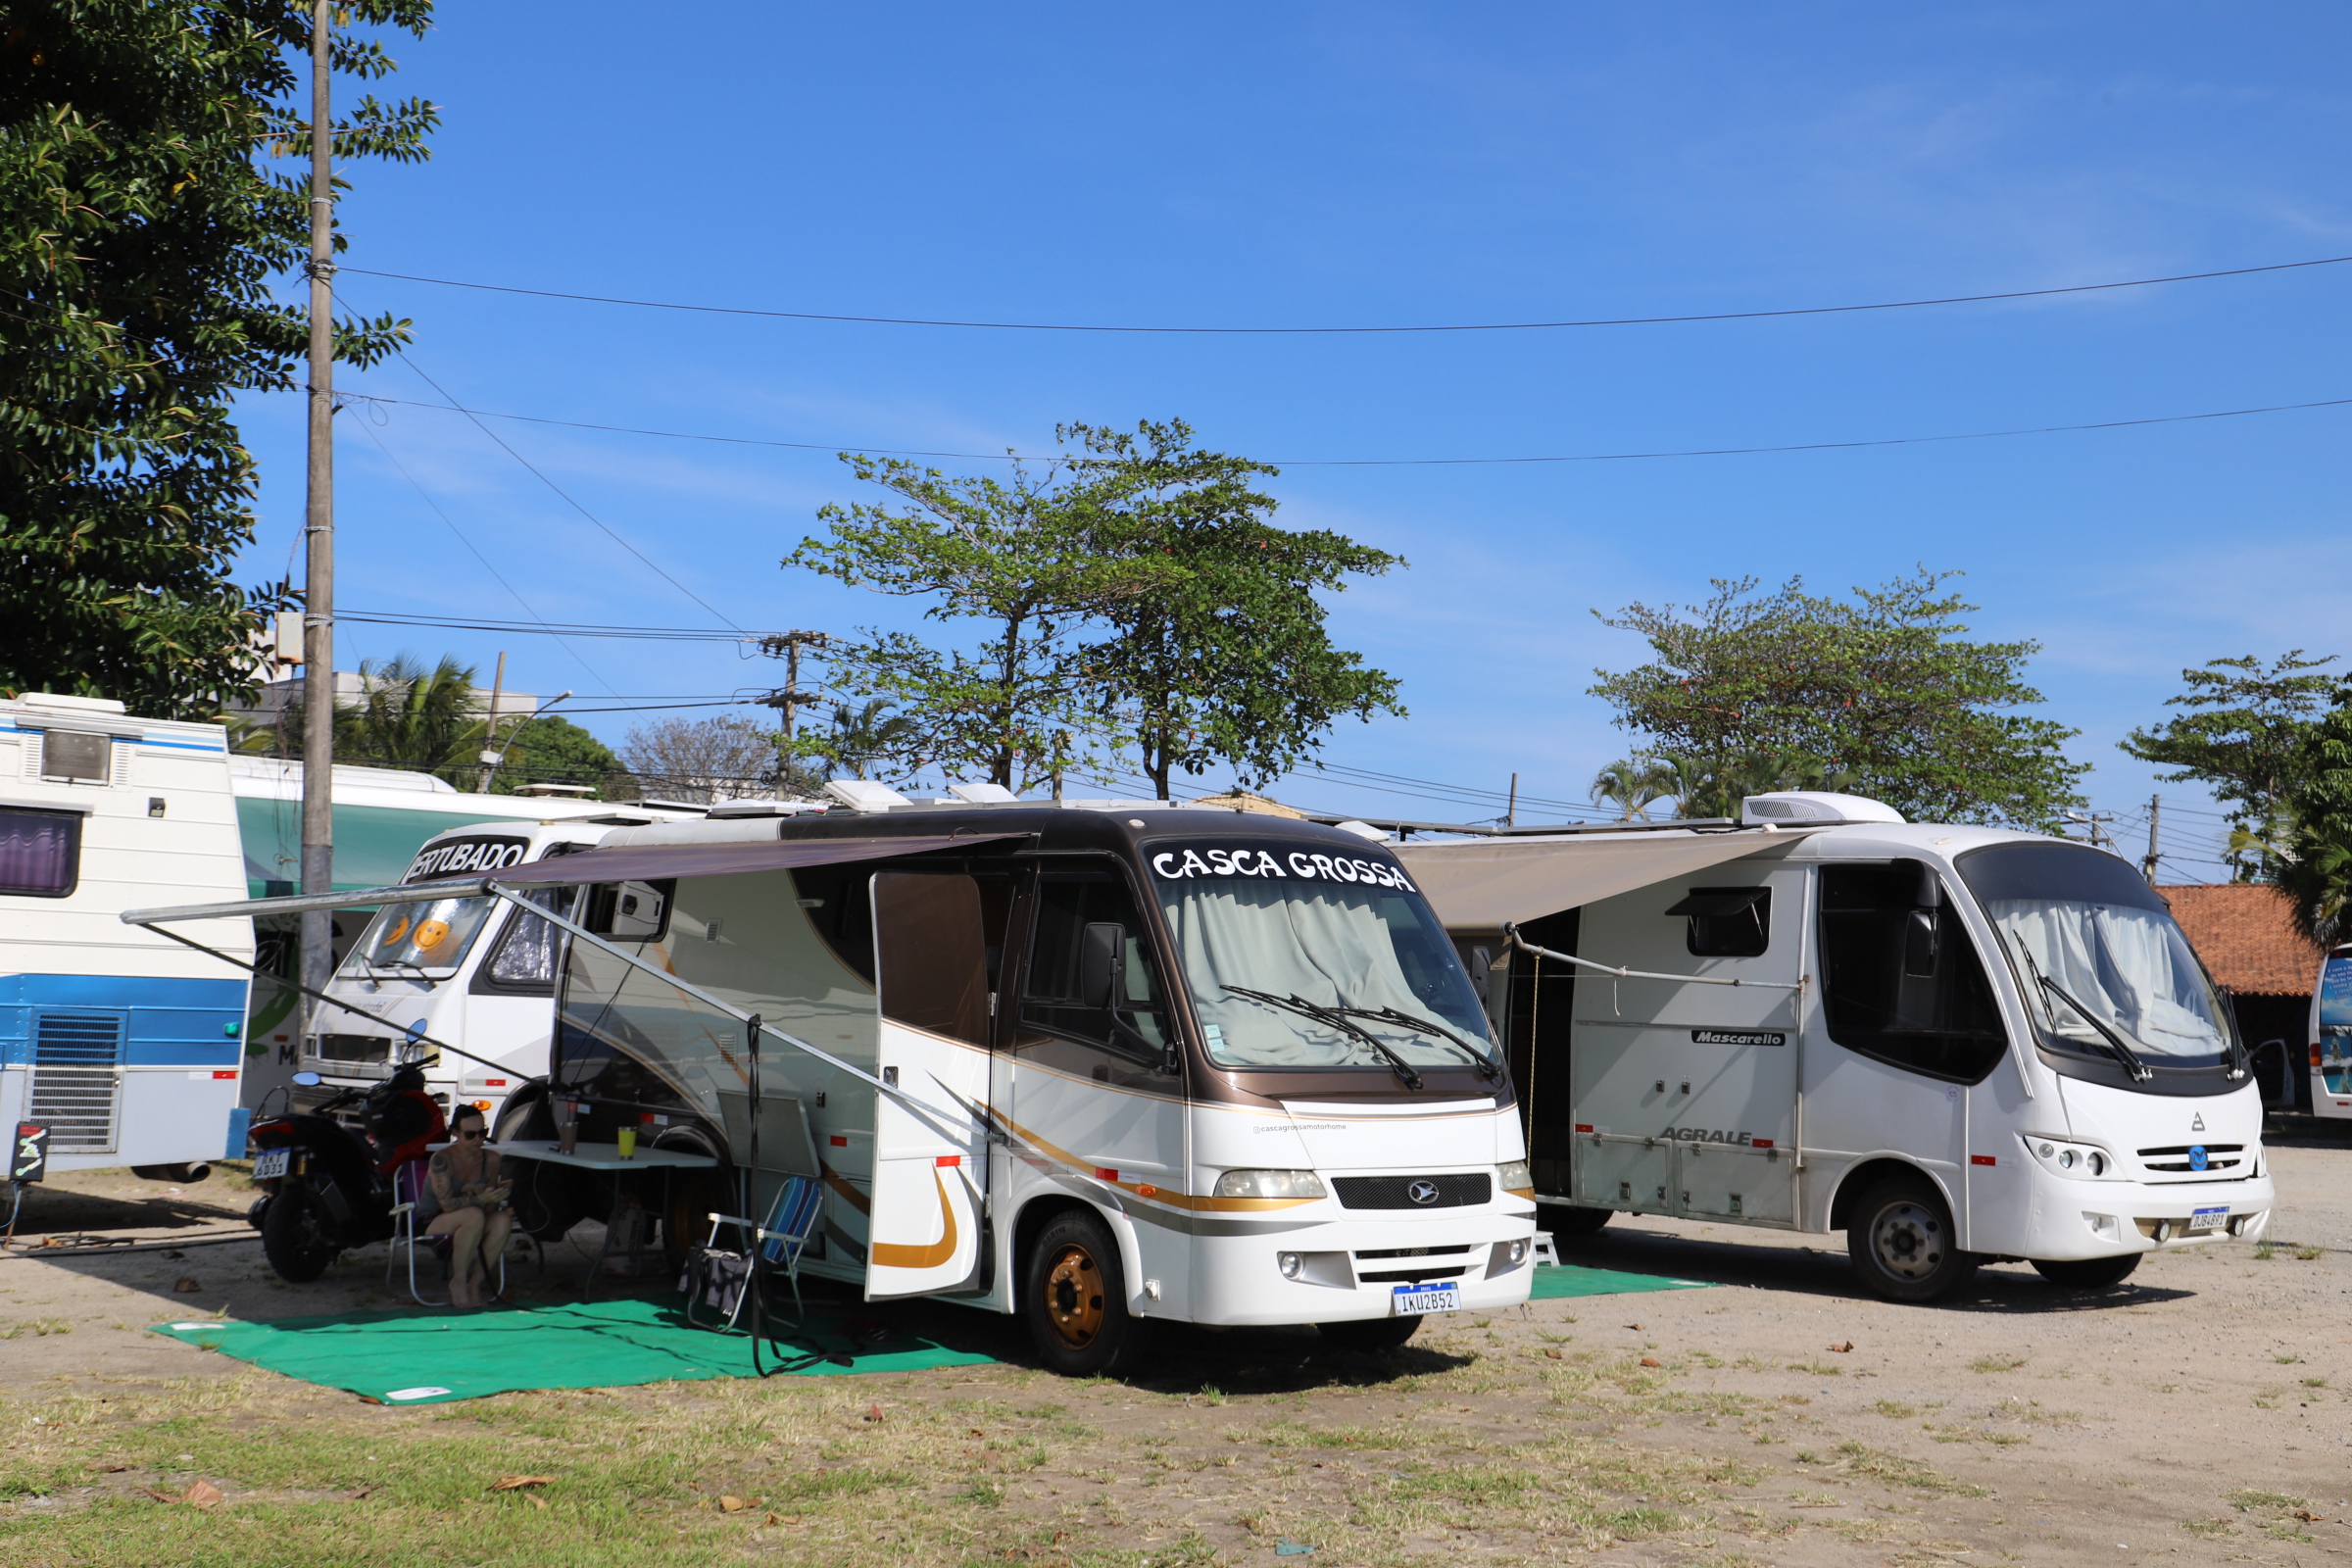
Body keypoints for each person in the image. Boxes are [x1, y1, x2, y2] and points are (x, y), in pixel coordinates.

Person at [426, 1105, 514, 1308]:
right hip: (433, 1220)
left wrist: (497, 1196)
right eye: (470, 1134)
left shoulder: (491, 1159)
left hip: (475, 1218)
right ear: (455, 1133)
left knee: (502, 1220)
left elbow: (489, 1204)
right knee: (473, 1215)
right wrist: (482, 1199)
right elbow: (447, 1205)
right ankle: (458, 1282)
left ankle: (474, 1284)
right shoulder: (442, 1159)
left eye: (482, 1133)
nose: (478, 1139)